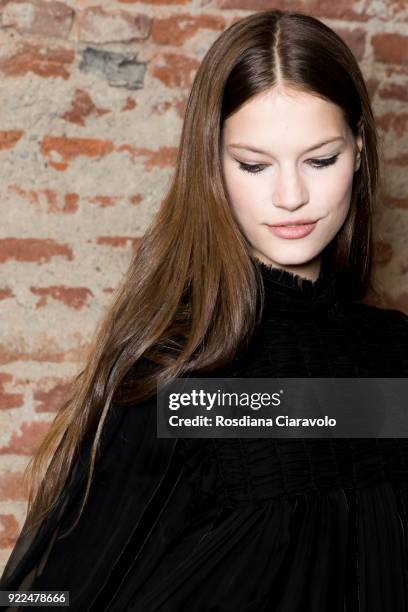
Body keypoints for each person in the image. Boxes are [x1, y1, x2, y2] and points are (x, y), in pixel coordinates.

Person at [1, 8, 408, 611]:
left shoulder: (394, 355)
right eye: (253, 164)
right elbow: (55, 594)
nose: (291, 196)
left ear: (359, 148)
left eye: (320, 160)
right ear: (212, 166)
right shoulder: (189, 374)